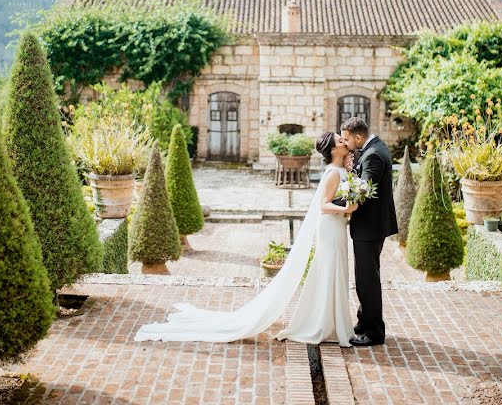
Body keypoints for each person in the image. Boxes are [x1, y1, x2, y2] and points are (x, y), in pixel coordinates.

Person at [134, 131, 357, 346]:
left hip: (336, 228)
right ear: (333, 149)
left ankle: (332, 323)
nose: (345, 142)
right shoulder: (333, 173)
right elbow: (323, 206)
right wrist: (348, 206)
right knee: (330, 271)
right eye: (341, 140)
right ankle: (325, 324)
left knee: (333, 272)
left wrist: (351, 179)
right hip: (330, 228)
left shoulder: (340, 169)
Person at [340, 117, 398, 346]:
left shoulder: (373, 154)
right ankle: (364, 322)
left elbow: (362, 191)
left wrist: (339, 202)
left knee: (367, 280)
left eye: (346, 139)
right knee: (365, 277)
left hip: (370, 226)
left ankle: (374, 333)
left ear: (358, 137)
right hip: (373, 225)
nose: (345, 143)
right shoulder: (376, 147)